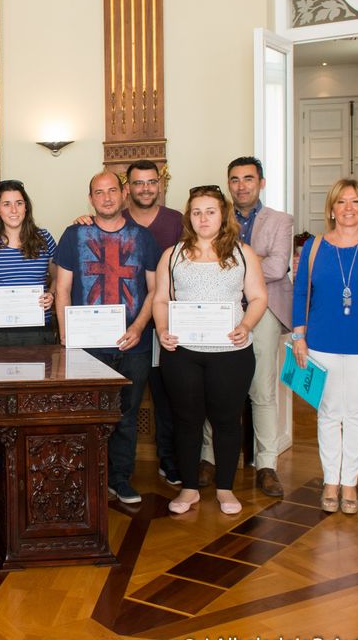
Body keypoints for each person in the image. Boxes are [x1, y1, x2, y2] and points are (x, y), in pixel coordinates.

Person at [153, 185, 267, 515]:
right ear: (189, 216)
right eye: (197, 212)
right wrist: (162, 330)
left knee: (227, 421)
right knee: (186, 421)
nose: (203, 218)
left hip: (230, 353)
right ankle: (189, 489)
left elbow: (259, 297)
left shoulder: (242, 253)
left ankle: (225, 489)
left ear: (223, 215)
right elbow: (161, 299)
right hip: (183, 352)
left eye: (210, 211)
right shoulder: (172, 255)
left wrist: (245, 325)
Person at [291, 178, 358, 515]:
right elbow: (300, 294)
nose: (348, 208)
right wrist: (298, 336)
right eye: (341, 202)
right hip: (321, 342)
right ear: (332, 209)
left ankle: (349, 481)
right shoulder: (315, 247)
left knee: (355, 413)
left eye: (355, 202)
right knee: (328, 413)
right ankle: (330, 481)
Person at [76, 160, 183, 487]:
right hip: (100, 335)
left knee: (159, 399)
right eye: (138, 183)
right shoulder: (83, 230)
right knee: (97, 410)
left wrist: (139, 327)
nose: (145, 189)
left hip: (153, 328)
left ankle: (151, 466)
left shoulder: (172, 223)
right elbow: (67, 282)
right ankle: (95, 474)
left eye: (151, 182)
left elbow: (159, 285)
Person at [55, 172, 159, 504]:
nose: (107, 197)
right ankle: (86, 479)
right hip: (88, 346)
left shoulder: (144, 238)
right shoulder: (74, 235)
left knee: (126, 416)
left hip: (134, 343)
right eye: (99, 193)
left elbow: (156, 291)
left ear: (124, 194)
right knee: (86, 416)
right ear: (91, 199)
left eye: (113, 190)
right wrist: (66, 334)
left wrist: (139, 327)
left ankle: (119, 479)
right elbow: (62, 289)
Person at [205, 157, 293, 498]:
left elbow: (277, 267)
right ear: (228, 184)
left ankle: (266, 463)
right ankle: (208, 458)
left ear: (261, 182)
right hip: (220, 309)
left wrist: (232, 269)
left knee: (262, 388)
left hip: (265, 307)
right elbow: (205, 260)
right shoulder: (214, 215)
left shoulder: (280, 221)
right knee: (212, 386)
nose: (241, 186)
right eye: (235, 180)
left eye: (248, 179)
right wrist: (251, 265)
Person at [0, 179, 57, 346]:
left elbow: (59, 277)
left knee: (41, 372)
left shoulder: (44, 239)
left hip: (37, 328)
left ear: (26, 207)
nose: (14, 210)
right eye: (6, 204)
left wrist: (51, 295)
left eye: (19, 203)